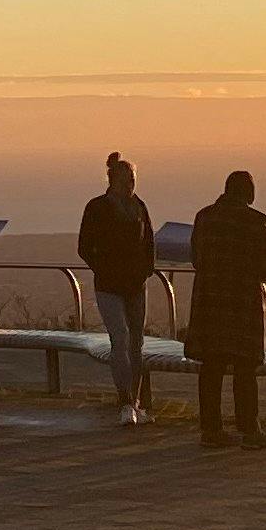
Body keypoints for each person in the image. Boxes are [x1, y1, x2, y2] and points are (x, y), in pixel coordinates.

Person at [184, 171, 266, 451]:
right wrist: (250, 276)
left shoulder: (204, 217)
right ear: (248, 193)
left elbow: (196, 257)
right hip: (241, 305)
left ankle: (211, 430)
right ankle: (250, 430)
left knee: (211, 368)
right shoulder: (254, 221)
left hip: (209, 302)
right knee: (245, 369)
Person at [76, 152, 159, 428]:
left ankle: (135, 402)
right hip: (109, 286)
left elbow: (149, 241)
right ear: (114, 180)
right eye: (127, 180)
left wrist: (146, 270)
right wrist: (103, 268)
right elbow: (85, 247)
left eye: (134, 180)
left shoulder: (139, 207)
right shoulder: (97, 208)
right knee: (120, 339)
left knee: (136, 343)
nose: (131, 185)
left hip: (136, 285)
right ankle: (124, 401)